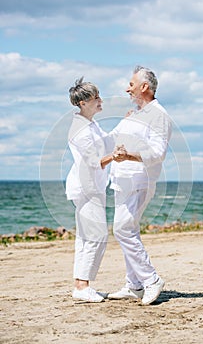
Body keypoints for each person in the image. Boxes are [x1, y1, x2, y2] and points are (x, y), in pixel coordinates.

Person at [107, 66, 172, 305]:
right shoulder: (134, 114)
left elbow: (158, 152)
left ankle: (151, 280)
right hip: (121, 180)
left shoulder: (159, 115)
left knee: (123, 230)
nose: (127, 88)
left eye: (131, 84)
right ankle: (134, 285)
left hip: (139, 180)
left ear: (144, 87)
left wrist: (130, 156)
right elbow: (112, 140)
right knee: (128, 231)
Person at [65, 77, 113, 303]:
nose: (100, 100)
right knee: (96, 235)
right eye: (96, 98)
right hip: (86, 187)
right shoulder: (81, 130)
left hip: (94, 186)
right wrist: (114, 157)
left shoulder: (91, 125)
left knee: (88, 235)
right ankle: (82, 286)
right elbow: (94, 161)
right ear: (83, 103)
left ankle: (81, 285)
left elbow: (107, 142)